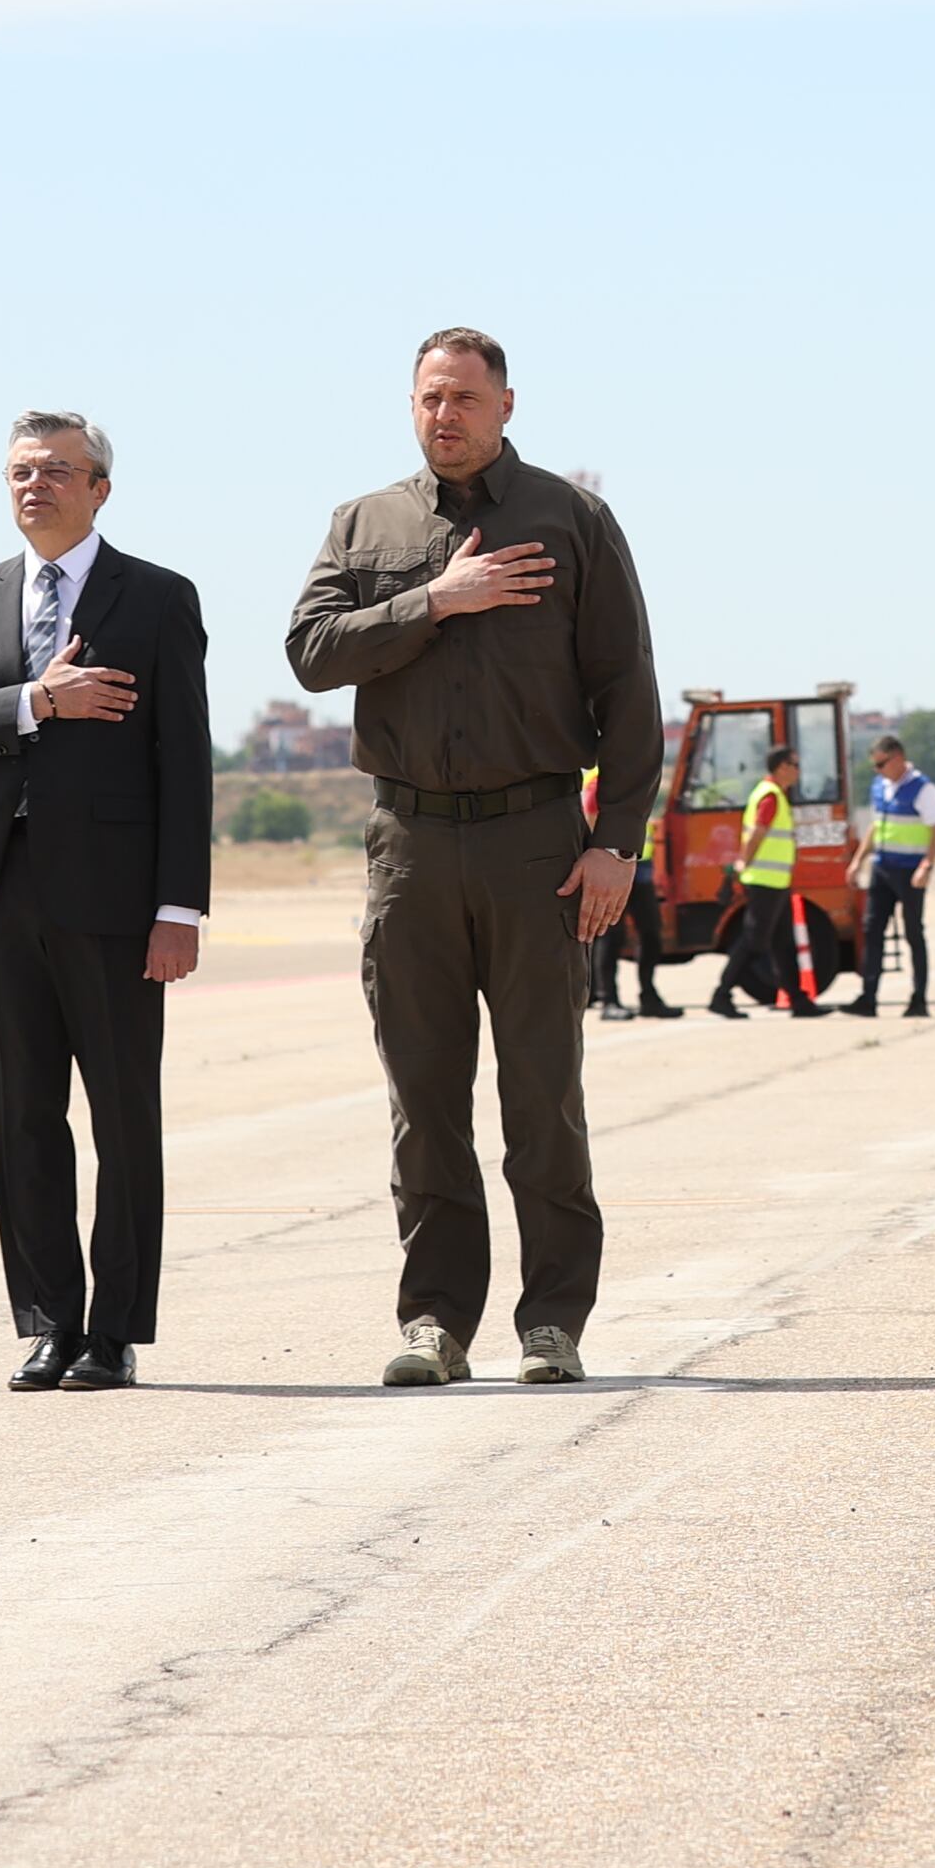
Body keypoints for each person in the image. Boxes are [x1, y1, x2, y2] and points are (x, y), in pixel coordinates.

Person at [286, 328, 660, 1390]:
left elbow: (627, 693)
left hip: (537, 841)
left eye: (462, 397)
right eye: (425, 398)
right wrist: (434, 601)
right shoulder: (365, 525)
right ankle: (436, 1323)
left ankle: (552, 1323)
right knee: (423, 1098)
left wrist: (615, 843)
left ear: (506, 404)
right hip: (407, 842)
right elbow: (311, 654)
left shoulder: (570, 520)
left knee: (542, 1095)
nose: (442, 415)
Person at [0, 410, 209, 1391]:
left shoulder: (157, 599)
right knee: (22, 1118)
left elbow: (186, 765)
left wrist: (180, 909)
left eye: (60, 471)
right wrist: (38, 701)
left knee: (122, 1117)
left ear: (101, 488)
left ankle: (114, 1331)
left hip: (117, 902)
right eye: (23, 472)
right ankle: (47, 1322)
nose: (38, 486)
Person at [709, 746, 818, 1016]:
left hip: (775, 880)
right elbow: (758, 832)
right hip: (764, 880)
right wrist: (744, 863)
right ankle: (721, 995)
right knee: (753, 940)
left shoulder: (774, 794)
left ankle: (798, 1000)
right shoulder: (770, 796)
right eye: (794, 764)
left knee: (783, 942)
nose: (798, 770)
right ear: (782, 767)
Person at [850, 731, 935, 1019]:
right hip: (883, 868)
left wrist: (927, 865)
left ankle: (919, 999)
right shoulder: (880, 786)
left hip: (910, 871)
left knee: (914, 933)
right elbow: (875, 827)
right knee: (872, 930)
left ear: (898, 758)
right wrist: (858, 860)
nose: (878, 771)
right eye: (875, 766)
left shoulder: (922, 788)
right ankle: (868, 998)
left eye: (882, 764)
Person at [587, 774, 677, 1021]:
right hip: (612, 866)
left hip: (639, 865)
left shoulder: (631, 775)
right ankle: (608, 1001)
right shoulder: (600, 780)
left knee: (651, 932)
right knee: (611, 935)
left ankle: (649, 997)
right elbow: (591, 818)